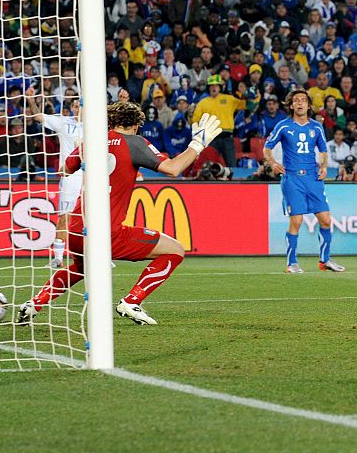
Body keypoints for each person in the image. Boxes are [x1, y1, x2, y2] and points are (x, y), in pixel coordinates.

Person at [17, 103, 223, 326]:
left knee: (81, 268)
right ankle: (131, 301)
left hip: (76, 228)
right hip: (105, 232)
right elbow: (173, 168)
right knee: (175, 250)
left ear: (112, 123)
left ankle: (34, 303)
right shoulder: (135, 143)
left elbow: (66, 169)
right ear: (135, 125)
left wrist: (82, 151)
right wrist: (197, 144)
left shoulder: (92, 140)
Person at [263, 89, 345, 274]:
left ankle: (325, 260)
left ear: (309, 105)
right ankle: (291, 263)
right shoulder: (283, 126)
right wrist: (273, 163)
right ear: (291, 105)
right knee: (297, 221)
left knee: (325, 220)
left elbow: (323, 151)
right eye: (296, 101)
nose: (300, 103)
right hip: (292, 178)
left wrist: (324, 166)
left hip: (313, 178)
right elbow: (266, 148)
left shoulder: (316, 127)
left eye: (303, 100)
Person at [26, 86, 83, 268]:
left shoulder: (98, 124)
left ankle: (101, 257)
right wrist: (31, 100)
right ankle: (58, 257)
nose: (77, 108)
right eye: (74, 105)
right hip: (71, 176)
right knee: (65, 217)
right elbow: (38, 117)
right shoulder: (64, 122)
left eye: (79, 105)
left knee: (95, 217)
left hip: (93, 176)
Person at [192, 74, 246, 167]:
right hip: (210, 138)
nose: (214, 88)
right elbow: (195, 120)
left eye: (216, 85)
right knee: (209, 166)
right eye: (211, 86)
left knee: (231, 165)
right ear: (208, 88)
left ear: (220, 87)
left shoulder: (229, 99)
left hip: (227, 137)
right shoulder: (202, 102)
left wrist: (246, 94)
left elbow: (244, 105)